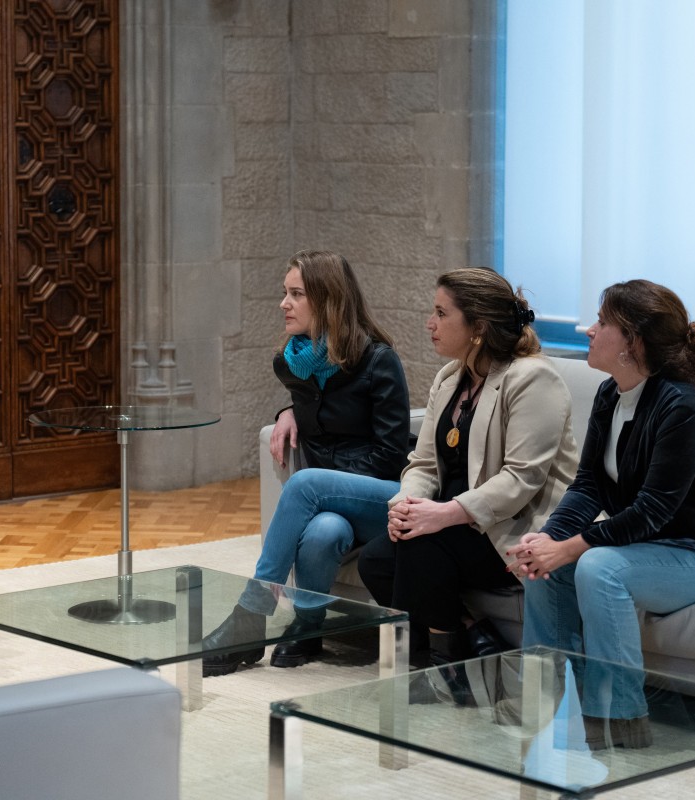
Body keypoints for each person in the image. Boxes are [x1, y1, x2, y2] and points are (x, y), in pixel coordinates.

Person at [508, 279, 695, 749]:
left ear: (633, 342)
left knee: (598, 566)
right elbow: (588, 485)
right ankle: (536, 709)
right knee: (542, 570)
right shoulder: (611, 394)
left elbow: (653, 509)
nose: (589, 330)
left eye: (602, 322)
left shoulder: (683, 405)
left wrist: (568, 548)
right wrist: (547, 541)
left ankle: (620, 725)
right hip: (656, 546)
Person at [355, 267, 578, 678]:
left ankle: (437, 668)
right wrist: (406, 503)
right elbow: (423, 463)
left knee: (420, 547)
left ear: (478, 327)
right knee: (375, 560)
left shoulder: (532, 378)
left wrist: (442, 514)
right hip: (456, 523)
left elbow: (521, 479)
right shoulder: (449, 377)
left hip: (513, 527)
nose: (430, 323)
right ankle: (470, 637)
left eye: (441, 313)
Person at [202, 250, 411, 676]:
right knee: (322, 532)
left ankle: (250, 614)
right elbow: (320, 410)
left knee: (307, 484)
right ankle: (310, 627)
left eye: (296, 294)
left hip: (386, 497)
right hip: (331, 504)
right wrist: (289, 411)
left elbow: (391, 454)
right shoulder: (292, 363)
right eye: (285, 293)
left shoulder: (377, 360)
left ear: (328, 299)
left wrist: (330, 485)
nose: (284, 303)